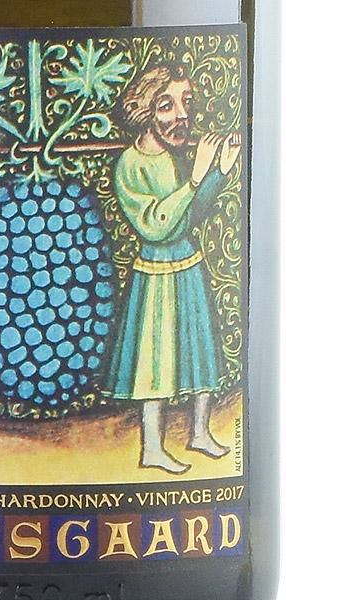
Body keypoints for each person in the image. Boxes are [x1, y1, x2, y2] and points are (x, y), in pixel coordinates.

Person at [104, 65, 242, 474]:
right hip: (156, 277)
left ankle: (199, 432)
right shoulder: (130, 165)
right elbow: (156, 226)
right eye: (166, 105)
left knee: (199, 352)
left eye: (186, 103)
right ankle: (152, 448)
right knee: (156, 364)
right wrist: (195, 178)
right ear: (144, 111)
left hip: (189, 268)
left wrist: (219, 172)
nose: (181, 115)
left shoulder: (174, 158)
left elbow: (191, 216)